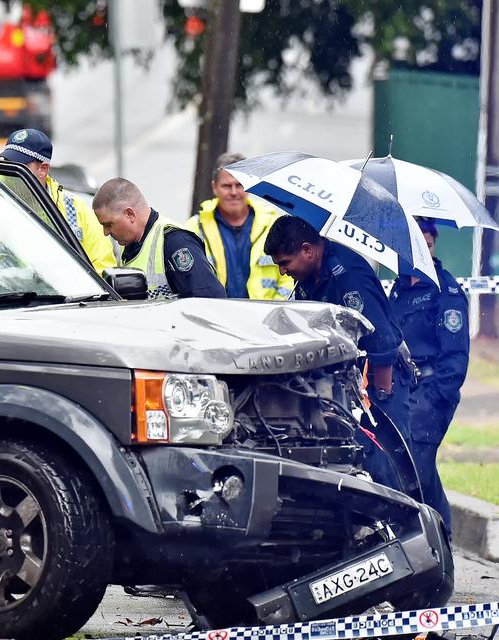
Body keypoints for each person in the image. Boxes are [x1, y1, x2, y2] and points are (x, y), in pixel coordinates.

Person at [264, 215, 409, 490]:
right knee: (355, 465)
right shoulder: (310, 275)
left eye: (285, 263)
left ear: (307, 250)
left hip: (381, 382)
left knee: (387, 470)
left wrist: (380, 402)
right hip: (349, 385)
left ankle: (410, 529)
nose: (282, 272)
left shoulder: (349, 279)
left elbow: (381, 343)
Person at [389, 218, 469, 534]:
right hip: (402, 392)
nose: (423, 251)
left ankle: (439, 541)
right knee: (407, 469)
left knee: (418, 472)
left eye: (428, 244)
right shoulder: (397, 289)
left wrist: (434, 398)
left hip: (430, 391)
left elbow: (456, 358)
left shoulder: (445, 291)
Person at [0, 128, 116, 273]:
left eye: (18, 166)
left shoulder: (79, 210)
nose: (10, 171)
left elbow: (103, 269)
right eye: (7, 163)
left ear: (43, 169)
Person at [91, 177, 227, 299]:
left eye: (109, 224)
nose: (105, 232)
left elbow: (209, 301)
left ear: (130, 214)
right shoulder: (131, 246)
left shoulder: (176, 242)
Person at [185, 152, 292, 300]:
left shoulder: (273, 224)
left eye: (239, 185)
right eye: (227, 186)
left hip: (265, 317)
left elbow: (289, 277)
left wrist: (275, 312)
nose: (234, 192)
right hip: (215, 317)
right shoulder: (195, 228)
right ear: (214, 187)